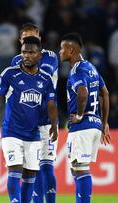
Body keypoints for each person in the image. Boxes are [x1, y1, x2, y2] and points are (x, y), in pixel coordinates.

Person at [0, 36, 58, 203]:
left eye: (31, 52)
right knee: (14, 169)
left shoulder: (45, 79)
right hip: (11, 131)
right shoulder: (10, 73)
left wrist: (54, 125)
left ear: (39, 55)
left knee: (30, 174)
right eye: (23, 52)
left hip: (33, 134)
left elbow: (50, 105)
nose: (26, 56)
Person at [59, 33, 110, 203]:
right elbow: (105, 93)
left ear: (71, 50)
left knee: (80, 169)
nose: (60, 52)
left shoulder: (77, 71)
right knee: (77, 168)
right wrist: (104, 122)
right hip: (95, 123)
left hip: (83, 125)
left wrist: (80, 115)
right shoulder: (91, 67)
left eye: (63, 48)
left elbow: (82, 93)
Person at [10, 23, 59, 203]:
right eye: (25, 39)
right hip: (26, 123)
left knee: (46, 166)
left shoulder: (50, 56)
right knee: (30, 168)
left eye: (33, 38)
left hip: (46, 121)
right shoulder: (15, 61)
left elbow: (38, 78)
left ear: (40, 38)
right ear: (20, 41)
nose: (30, 43)